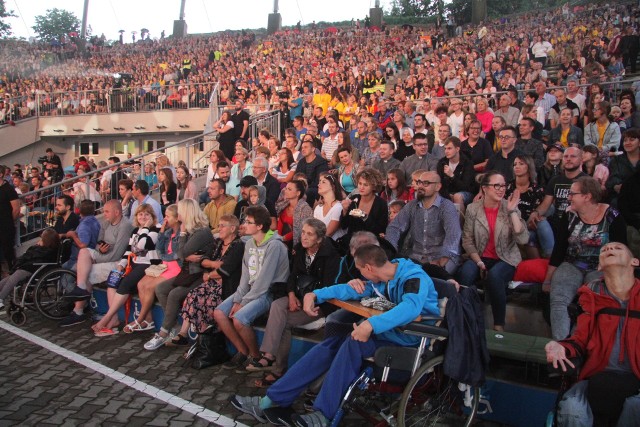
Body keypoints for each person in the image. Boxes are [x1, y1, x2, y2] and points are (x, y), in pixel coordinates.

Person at [230, 244, 439, 426]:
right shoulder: (382, 278)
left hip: (409, 343)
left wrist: (370, 325)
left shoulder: (413, 277)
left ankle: (323, 415)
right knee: (331, 344)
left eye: (359, 271)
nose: (359, 276)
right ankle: (272, 400)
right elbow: (349, 291)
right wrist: (315, 294)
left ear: (368, 268)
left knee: (352, 342)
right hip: (387, 336)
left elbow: (411, 308)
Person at [545, 242, 640, 426]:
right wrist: (559, 346)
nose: (609, 250)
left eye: (617, 248)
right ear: (599, 266)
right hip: (596, 377)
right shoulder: (591, 295)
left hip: (636, 379)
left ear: (635, 261)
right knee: (573, 409)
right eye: (605, 250)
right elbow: (579, 340)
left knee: (636, 407)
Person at [246, 218, 340, 386]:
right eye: (303, 232)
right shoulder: (299, 250)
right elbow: (292, 276)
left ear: (319, 238)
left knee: (283, 322)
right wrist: (290, 295)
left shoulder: (331, 256)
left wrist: (307, 299)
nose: (304, 237)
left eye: (309, 234)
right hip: (297, 295)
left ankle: (277, 369)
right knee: (277, 305)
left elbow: (328, 287)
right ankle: (269, 356)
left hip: (319, 304)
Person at [543, 176, 627, 340]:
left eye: (573, 194)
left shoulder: (613, 216)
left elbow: (621, 250)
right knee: (559, 300)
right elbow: (559, 250)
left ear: (587, 196)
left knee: (590, 302)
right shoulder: (569, 216)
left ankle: (577, 344)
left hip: (601, 268)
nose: (568, 197)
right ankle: (562, 346)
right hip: (572, 263)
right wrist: (548, 279)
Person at [214, 205, 290, 369]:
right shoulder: (249, 244)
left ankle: (255, 356)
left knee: (240, 319)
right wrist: (238, 298)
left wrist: (242, 302)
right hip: (251, 290)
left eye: (248, 222)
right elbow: (246, 276)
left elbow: (264, 281)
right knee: (219, 313)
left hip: (269, 292)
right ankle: (243, 352)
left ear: (260, 226)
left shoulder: (274, 245)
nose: (244, 225)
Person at [457, 171, 528, 331]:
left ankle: (498, 325)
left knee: (495, 276)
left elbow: (522, 239)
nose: (501, 189)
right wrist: (479, 261)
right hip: (479, 255)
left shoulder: (509, 206)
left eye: (503, 186)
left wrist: (512, 211)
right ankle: (464, 319)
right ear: (484, 188)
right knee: (465, 273)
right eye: (496, 185)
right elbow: (467, 240)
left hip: (505, 257)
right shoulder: (473, 209)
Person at [143, 199, 215, 350]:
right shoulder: (190, 229)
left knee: (175, 294)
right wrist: (185, 254)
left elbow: (181, 252)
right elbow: (182, 254)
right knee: (161, 288)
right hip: (188, 271)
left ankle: (163, 333)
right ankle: (172, 325)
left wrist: (182, 234)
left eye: (181, 210)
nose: (179, 213)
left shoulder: (201, 231)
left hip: (199, 274)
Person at [61, 200, 133, 327]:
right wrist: (100, 250)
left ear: (117, 212)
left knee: (86, 272)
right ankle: (81, 291)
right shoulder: (106, 223)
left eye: (106, 211)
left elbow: (117, 254)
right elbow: (98, 243)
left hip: (119, 263)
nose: (103, 214)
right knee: (84, 252)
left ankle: (78, 311)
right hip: (104, 257)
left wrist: (96, 258)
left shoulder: (125, 226)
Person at [88, 204, 161, 330]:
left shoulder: (155, 228)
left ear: (152, 216)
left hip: (148, 265)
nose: (143, 217)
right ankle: (113, 318)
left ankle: (105, 319)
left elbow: (143, 245)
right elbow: (129, 250)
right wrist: (121, 265)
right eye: (140, 214)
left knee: (125, 284)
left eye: (146, 214)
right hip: (133, 263)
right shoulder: (135, 230)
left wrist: (145, 228)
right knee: (112, 282)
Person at [177, 215, 245, 347]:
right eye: (219, 225)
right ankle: (189, 335)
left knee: (204, 299)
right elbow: (203, 260)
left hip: (227, 286)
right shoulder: (218, 242)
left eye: (222, 226)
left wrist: (209, 275)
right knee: (193, 295)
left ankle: (204, 339)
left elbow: (226, 270)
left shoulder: (238, 246)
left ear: (232, 229)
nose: (219, 228)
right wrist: (214, 264)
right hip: (213, 282)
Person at [386, 170, 462, 273]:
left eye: (426, 183)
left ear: (438, 187)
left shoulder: (446, 206)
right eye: (419, 182)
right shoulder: (412, 205)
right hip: (415, 256)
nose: (421, 186)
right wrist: (391, 250)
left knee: (433, 278)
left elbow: (453, 234)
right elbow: (394, 227)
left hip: (441, 257)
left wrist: (443, 258)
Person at [506, 155, 554, 259]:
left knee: (542, 222)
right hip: (511, 224)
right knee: (530, 236)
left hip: (530, 224)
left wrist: (534, 218)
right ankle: (539, 266)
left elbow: (538, 213)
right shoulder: (507, 187)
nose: (517, 166)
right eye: (515, 164)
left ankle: (550, 258)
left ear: (529, 167)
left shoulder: (538, 190)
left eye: (521, 164)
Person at [0, 228, 59, 311]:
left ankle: (1, 298)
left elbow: (31, 256)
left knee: (12, 279)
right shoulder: (44, 249)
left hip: (32, 269)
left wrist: (36, 247)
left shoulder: (45, 251)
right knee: (8, 279)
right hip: (30, 267)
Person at [529, 146, 587, 230]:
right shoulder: (555, 180)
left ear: (581, 159)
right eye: (566, 156)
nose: (568, 159)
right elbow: (545, 204)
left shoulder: (587, 181)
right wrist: (535, 213)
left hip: (577, 223)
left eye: (573, 156)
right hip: (557, 223)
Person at [340, 168, 388, 237]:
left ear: (374, 187)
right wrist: (344, 210)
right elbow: (343, 226)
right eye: (360, 183)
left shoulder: (381, 204)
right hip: (351, 241)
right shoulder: (354, 199)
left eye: (365, 185)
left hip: (370, 242)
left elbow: (380, 230)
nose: (361, 187)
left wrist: (365, 217)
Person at [436, 136, 477, 212]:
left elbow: (466, 186)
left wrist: (452, 176)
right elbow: (440, 184)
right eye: (445, 148)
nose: (446, 151)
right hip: (447, 192)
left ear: (457, 149)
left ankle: (460, 223)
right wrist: (448, 195)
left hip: (466, 192)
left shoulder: (467, 163)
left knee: (457, 196)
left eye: (449, 148)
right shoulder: (442, 162)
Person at [61, 200, 101, 270]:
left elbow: (83, 245)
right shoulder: (95, 221)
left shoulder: (85, 225)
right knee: (61, 267)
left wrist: (73, 235)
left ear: (80, 210)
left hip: (78, 260)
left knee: (63, 277)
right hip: (85, 257)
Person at [606, 128, 640, 206]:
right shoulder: (616, 160)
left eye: (632, 140)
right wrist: (617, 186)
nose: (627, 143)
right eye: (625, 140)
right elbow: (613, 179)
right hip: (622, 196)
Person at [277, 180, 313, 250]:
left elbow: (302, 229)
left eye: (289, 189)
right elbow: (279, 225)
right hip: (281, 242)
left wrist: (283, 238)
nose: (286, 191)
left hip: (297, 245)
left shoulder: (305, 209)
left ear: (298, 193)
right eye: (286, 189)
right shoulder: (283, 206)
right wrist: (278, 239)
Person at [314, 173, 346, 241]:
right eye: (319, 181)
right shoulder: (318, 208)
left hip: (335, 247)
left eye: (323, 182)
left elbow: (328, 233)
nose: (319, 184)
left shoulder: (338, 207)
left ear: (333, 186)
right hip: (319, 244)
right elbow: (314, 229)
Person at [296, 139, 329, 204]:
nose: (303, 149)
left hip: (316, 188)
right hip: (302, 187)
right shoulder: (301, 162)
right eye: (302, 148)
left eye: (306, 147)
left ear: (313, 149)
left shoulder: (321, 162)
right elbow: (297, 177)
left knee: (309, 192)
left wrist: (305, 187)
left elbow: (319, 181)